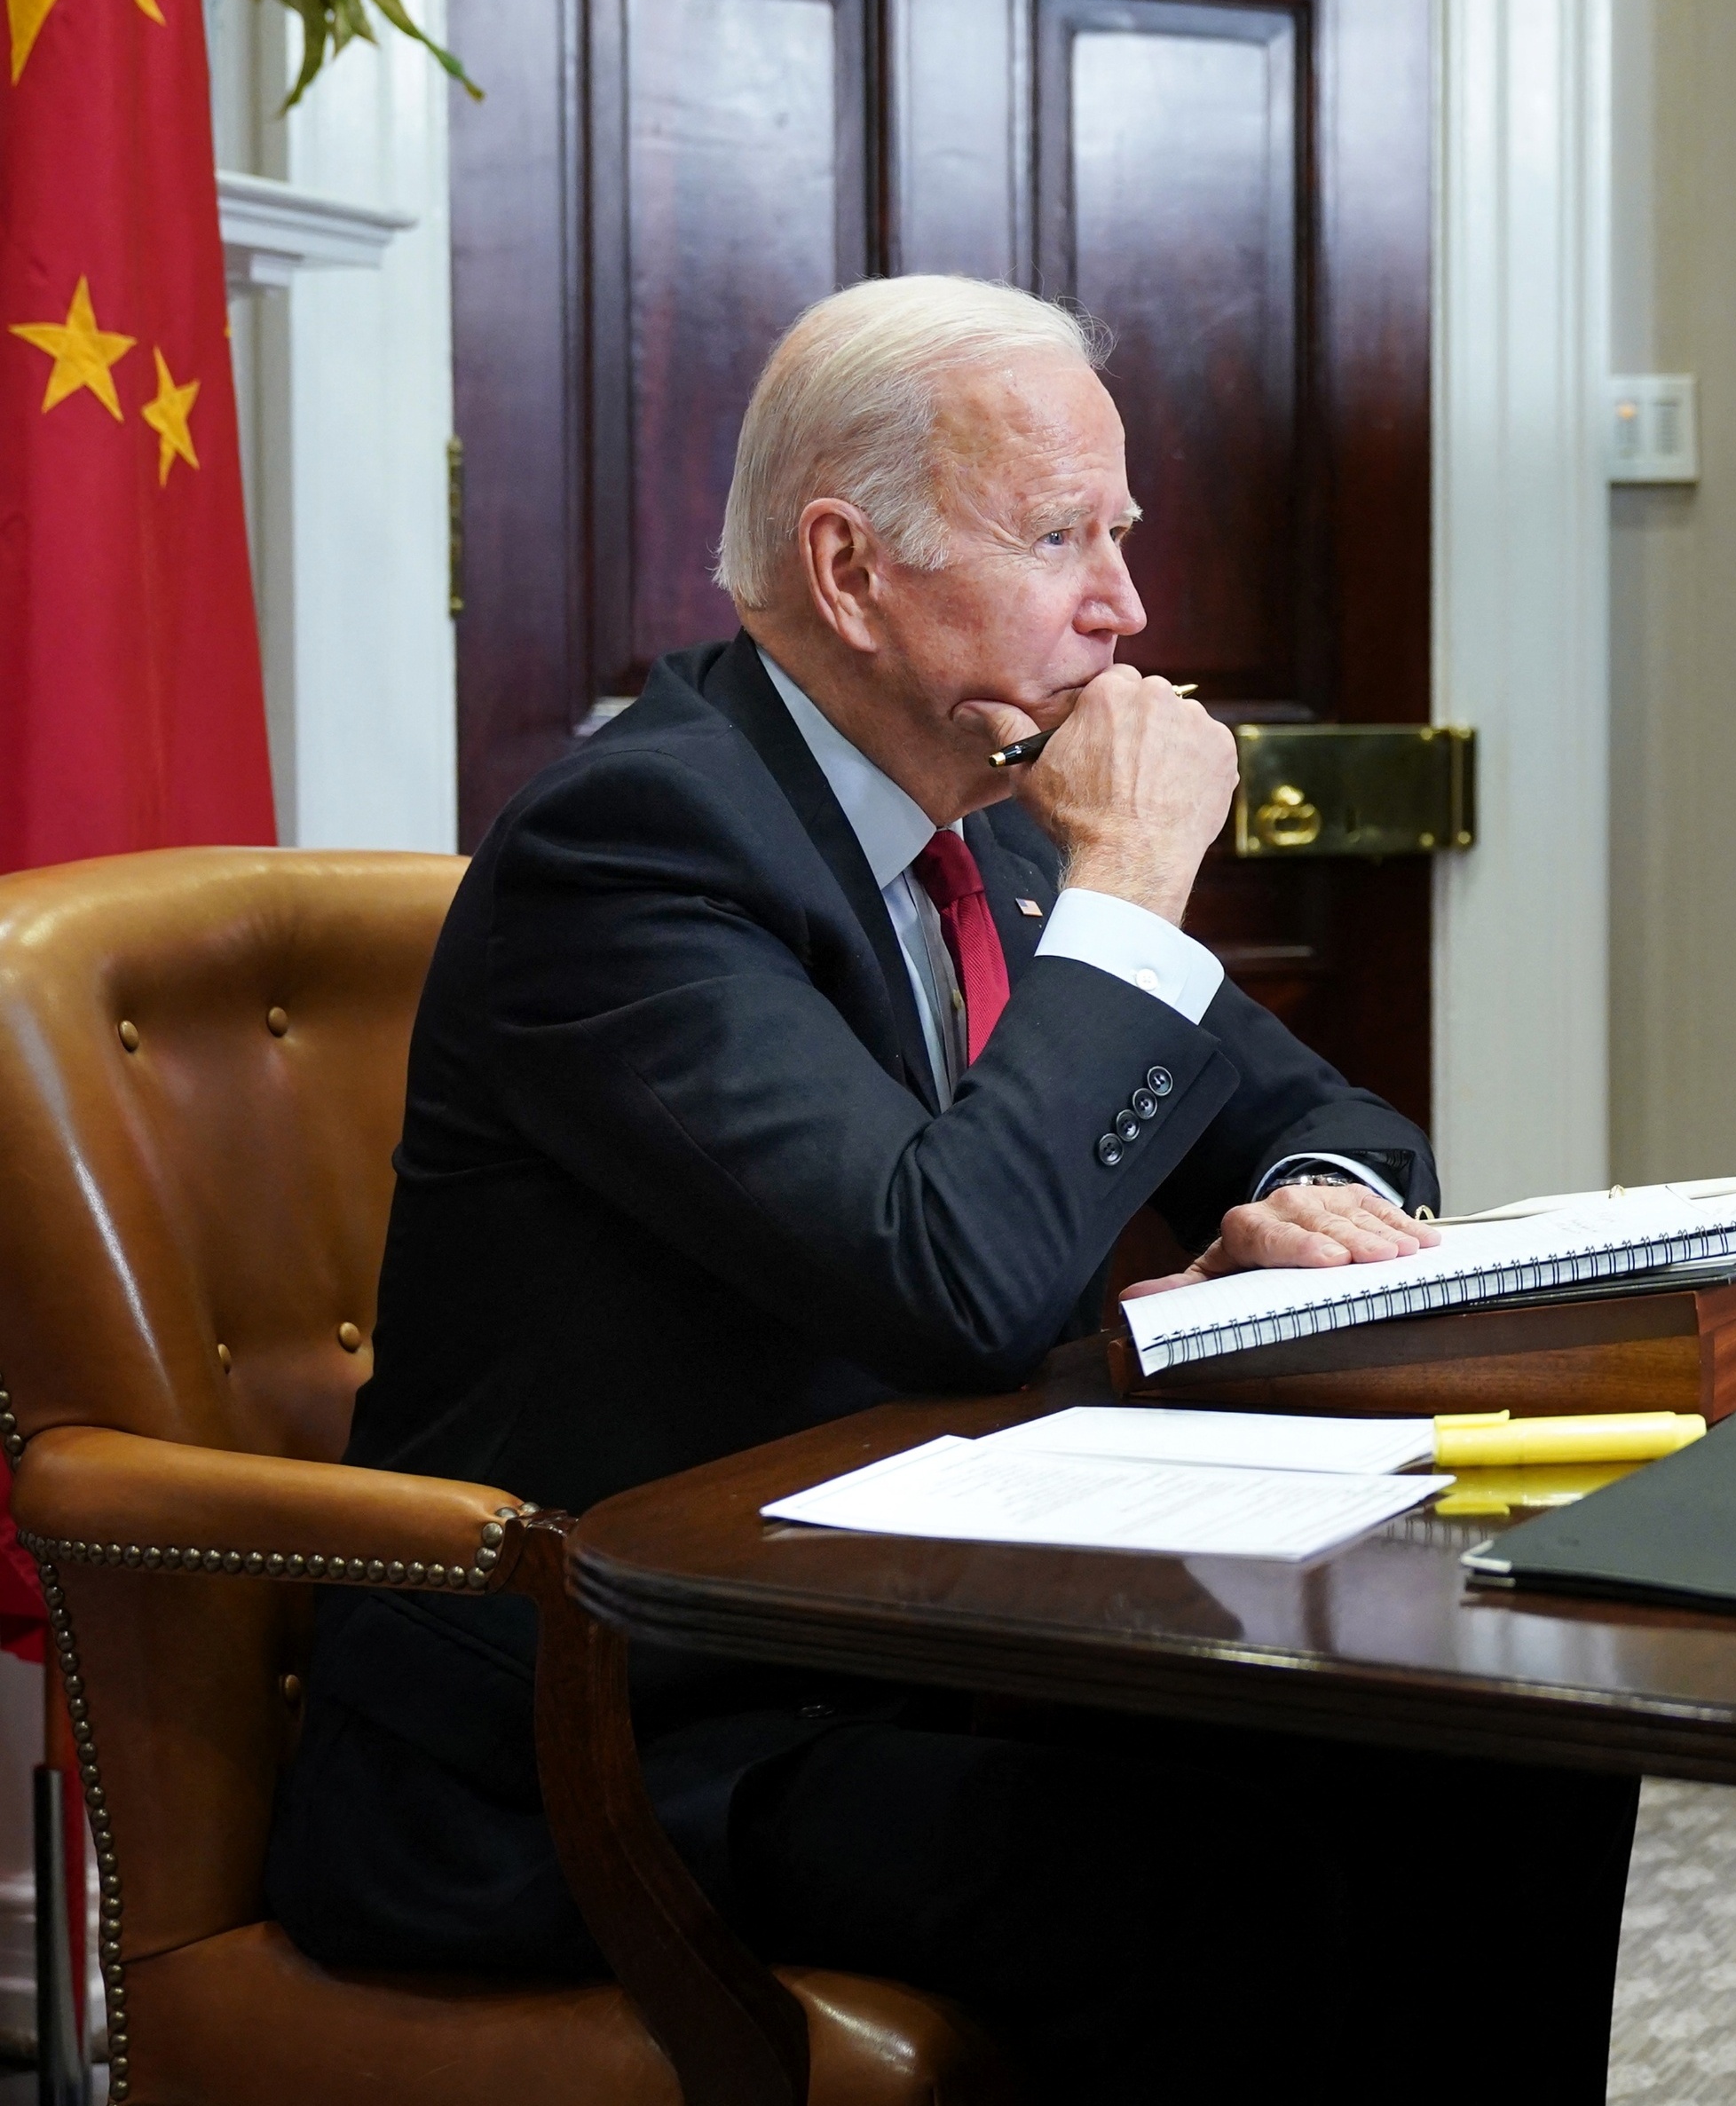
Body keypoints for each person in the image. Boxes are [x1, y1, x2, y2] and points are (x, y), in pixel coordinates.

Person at [263, 276, 1640, 2097]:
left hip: (919, 1637)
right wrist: (1139, 874)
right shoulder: (635, 848)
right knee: (1181, 1884)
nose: (1126, 609)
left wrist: (1307, 1192)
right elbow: (949, 1280)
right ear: (848, 570)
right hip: (609, 1720)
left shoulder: (983, 819)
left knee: (1505, 1753)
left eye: (1119, 536)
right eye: (1057, 536)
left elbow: (1340, 1122)